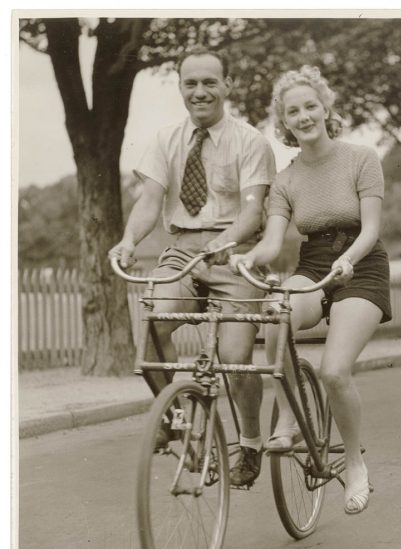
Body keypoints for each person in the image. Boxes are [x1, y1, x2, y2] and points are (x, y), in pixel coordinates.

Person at [109, 46, 276, 487]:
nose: (200, 92)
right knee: (149, 330)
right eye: (190, 83)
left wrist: (225, 244)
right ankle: (180, 421)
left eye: (209, 82)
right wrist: (128, 241)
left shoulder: (251, 142)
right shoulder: (166, 139)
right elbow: (149, 202)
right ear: (181, 87)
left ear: (228, 85)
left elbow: (253, 211)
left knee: (236, 358)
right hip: (182, 250)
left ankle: (252, 442)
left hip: (234, 254)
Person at [230, 66, 391, 514]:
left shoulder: (361, 158)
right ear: (284, 121)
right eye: (293, 111)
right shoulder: (286, 179)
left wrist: (349, 261)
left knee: (335, 371)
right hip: (315, 263)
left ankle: (355, 464)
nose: (303, 116)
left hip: (362, 264)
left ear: (326, 108)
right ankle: (290, 415)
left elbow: (372, 229)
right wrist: (250, 257)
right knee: (274, 311)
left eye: (310, 106)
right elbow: (272, 241)